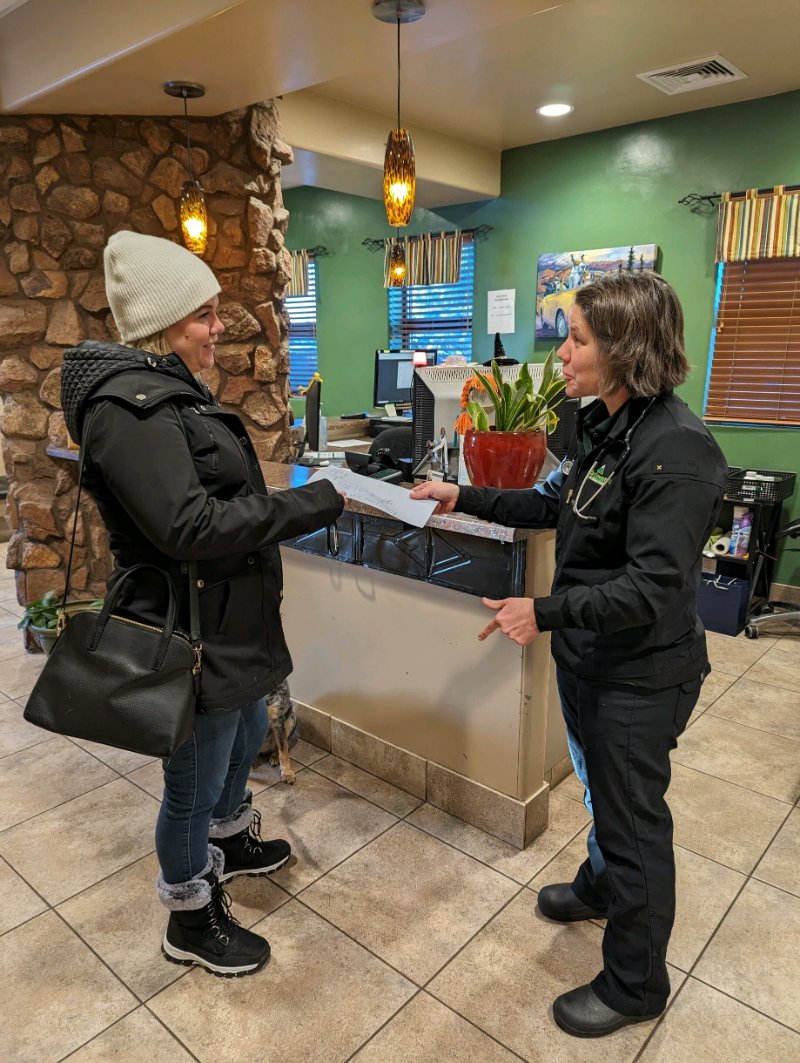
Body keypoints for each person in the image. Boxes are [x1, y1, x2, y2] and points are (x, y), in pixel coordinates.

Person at [411, 271, 727, 1038]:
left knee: (633, 819)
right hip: (592, 661)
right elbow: (557, 503)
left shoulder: (678, 451)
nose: (562, 354)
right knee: (601, 796)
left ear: (624, 347)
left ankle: (635, 984)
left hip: (642, 672)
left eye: (578, 339)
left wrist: (543, 610)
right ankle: (598, 884)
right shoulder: (605, 424)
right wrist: (467, 497)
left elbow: (650, 589)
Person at [60, 231, 345, 978]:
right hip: (189, 628)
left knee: (247, 722)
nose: (221, 327)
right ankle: (189, 915)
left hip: (228, 622)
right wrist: (300, 506)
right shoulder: (127, 406)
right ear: (162, 322)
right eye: (205, 315)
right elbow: (186, 526)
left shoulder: (167, 389)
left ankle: (231, 835)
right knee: (192, 776)